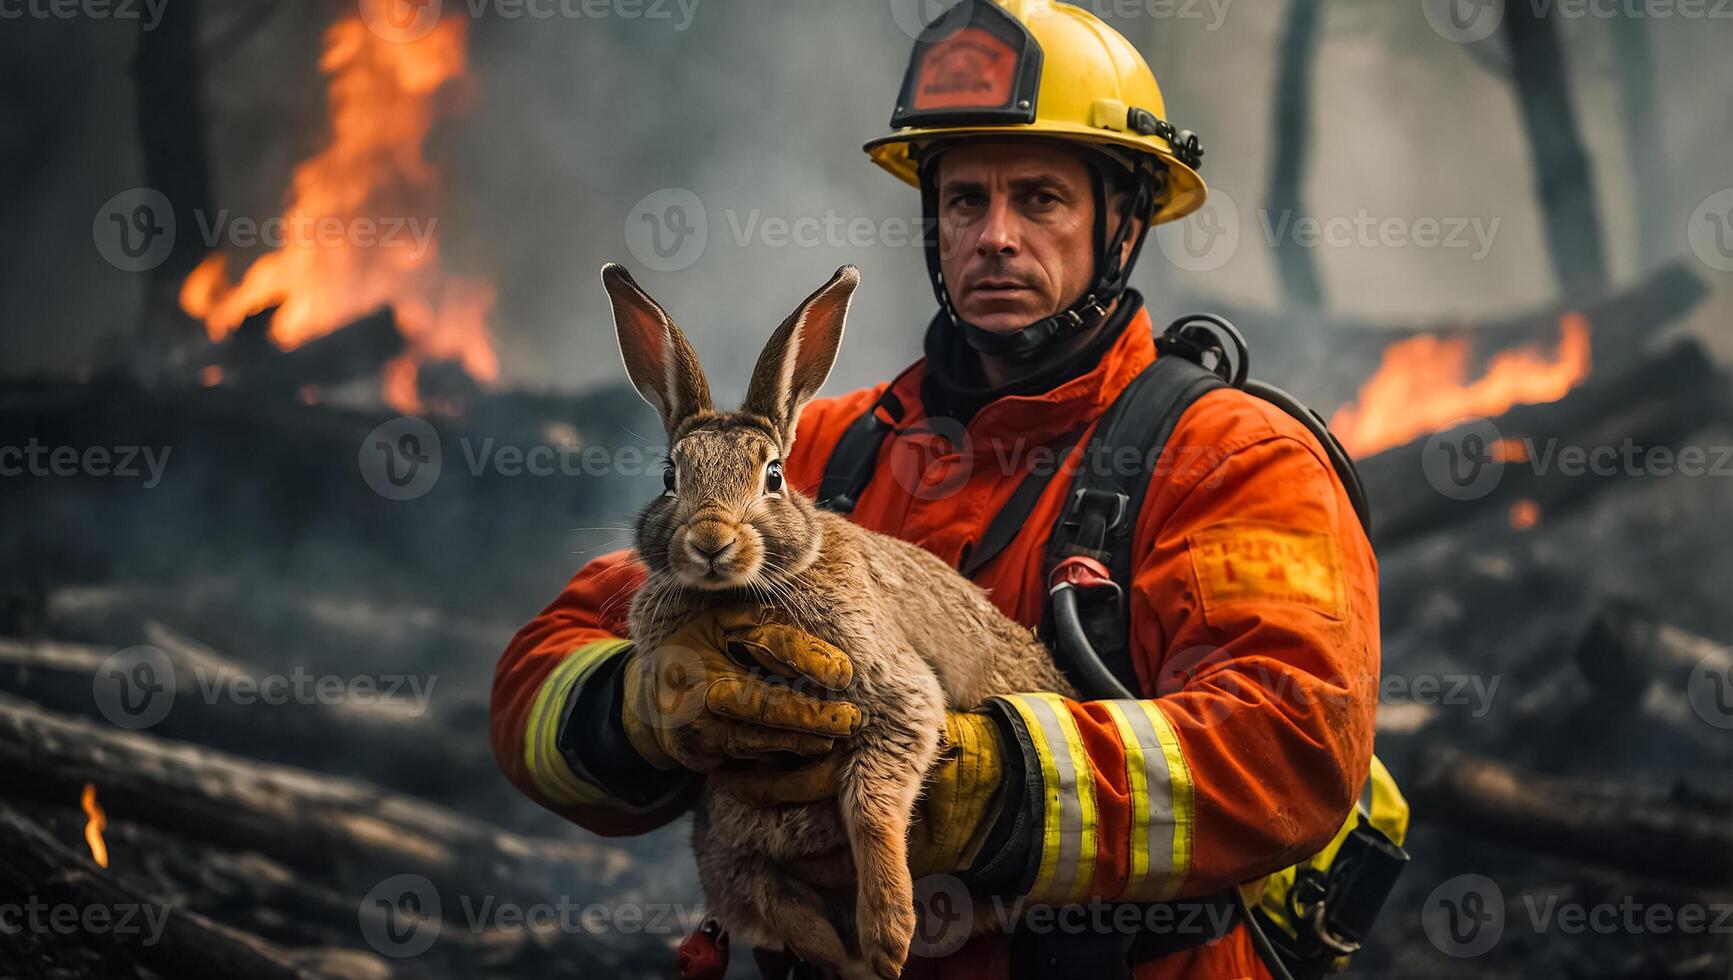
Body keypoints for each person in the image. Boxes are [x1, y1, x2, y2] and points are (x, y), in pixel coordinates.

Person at [491, 2, 1379, 977]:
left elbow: (1289, 749)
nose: (994, 236)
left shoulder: (1228, 458)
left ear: (1121, 219)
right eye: (963, 201)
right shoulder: (814, 456)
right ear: (932, 223)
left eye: (1039, 197)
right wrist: (638, 708)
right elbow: (536, 676)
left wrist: (991, 788)